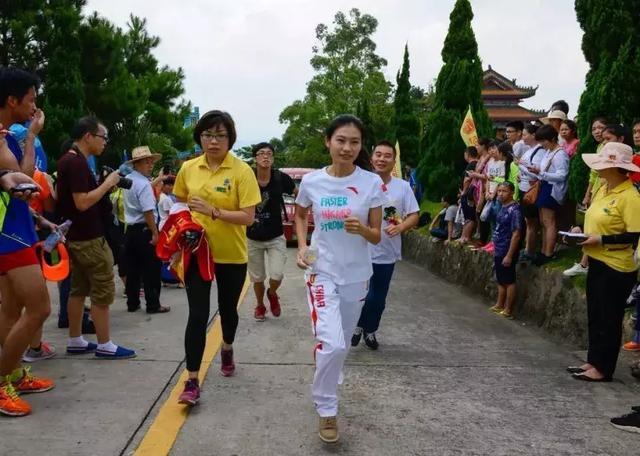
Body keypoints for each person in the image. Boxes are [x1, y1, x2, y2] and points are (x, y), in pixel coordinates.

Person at [295, 114, 383, 443]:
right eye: (341, 140)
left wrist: (363, 229)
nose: (347, 148)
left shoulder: (372, 183)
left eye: (355, 142)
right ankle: (327, 409)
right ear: (328, 142)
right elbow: (301, 213)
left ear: (361, 147)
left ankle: (328, 366)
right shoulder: (312, 181)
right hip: (322, 272)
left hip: (357, 275)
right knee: (332, 343)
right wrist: (303, 245)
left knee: (340, 344)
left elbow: (377, 235)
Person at [173, 110, 260, 405]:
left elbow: (248, 217)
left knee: (228, 311)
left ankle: (227, 346)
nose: (213, 141)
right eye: (208, 134)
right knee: (197, 315)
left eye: (220, 135)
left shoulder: (241, 171)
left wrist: (214, 211)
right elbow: (179, 204)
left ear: (230, 139)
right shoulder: (189, 168)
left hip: (231, 256)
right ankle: (193, 380)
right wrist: (178, 237)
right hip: (197, 254)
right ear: (199, 137)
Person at [56, 116, 136, 359]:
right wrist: (108, 183)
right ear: (88, 136)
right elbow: (82, 202)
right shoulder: (78, 163)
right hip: (90, 237)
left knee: (78, 289)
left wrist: (102, 186)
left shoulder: (68, 160)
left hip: (76, 236)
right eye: (103, 137)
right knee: (102, 289)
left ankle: (76, 339)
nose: (105, 143)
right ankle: (104, 344)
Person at [0, 68, 54, 417]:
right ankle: (2, 379)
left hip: (15, 229)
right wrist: (11, 181)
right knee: (40, 309)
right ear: (12, 100)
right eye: (31, 100)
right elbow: (15, 176)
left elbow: (21, 172)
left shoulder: (6, 134)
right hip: (9, 235)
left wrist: (31, 136)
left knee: (11, 310)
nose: (35, 107)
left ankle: (14, 373)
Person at [566, 142, 640, 384]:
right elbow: (594, 218)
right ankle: (593, 360)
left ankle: (603, 368)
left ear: (616, 168)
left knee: (609, 318)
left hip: (616, 265)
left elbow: (634, 234)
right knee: (595, 315)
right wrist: (581, 231)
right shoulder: (602, 188)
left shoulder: (630, 197)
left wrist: (602, 239)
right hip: (597, 260)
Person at [352, 140, 419, 349]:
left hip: (386, 251)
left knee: (377, 298)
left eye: (387, 155)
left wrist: (400, 227)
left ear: (394, 160)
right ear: (372, 158)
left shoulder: (402, 187)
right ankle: (356, 326)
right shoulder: (360, 183)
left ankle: (369, 329)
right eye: (378, 154)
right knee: (358, 296)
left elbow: (413, 215)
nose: (382, 159)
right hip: (359, 250)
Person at [246, 142, 296, 321]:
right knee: (257, 278)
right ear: (255, 158)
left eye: (269, 153)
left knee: (277, 274)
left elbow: (299, 193)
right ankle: (260, 305)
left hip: (276, 236)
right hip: (253, 236)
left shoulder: (280, 178)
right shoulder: (247, 177)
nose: (265, 156)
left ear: (273, 158)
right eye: (261, 153)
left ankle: (272, 293)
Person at [123, 146, 168, 314]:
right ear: (137, 164)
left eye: (151, 162)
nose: (150, 165)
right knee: (151, 270)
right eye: (146, 162)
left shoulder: (128, 179)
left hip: (131, 231)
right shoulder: (143, 184)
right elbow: (148, 211)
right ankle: (153, 304)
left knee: (133, 269)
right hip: (145, 230)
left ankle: (132, 302)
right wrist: (155, 233)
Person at [528, 125, 570, 265]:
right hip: (545, 186)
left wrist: (541, 173)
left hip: (552, 189)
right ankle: (544, 251)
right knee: (543, 222)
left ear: (552, 139)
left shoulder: (560, 154)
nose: (542, 144)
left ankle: (548, 252)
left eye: (544, 141)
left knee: (549, 222)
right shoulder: (549, 151)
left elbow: (562, 175)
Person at [488, 182, 522, 318]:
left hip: (507, 249)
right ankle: (499, 304)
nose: (501, 193)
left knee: (509, 280)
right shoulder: (502, 207)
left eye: (504, 191)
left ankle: (508, 309)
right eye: (499, 191)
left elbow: (517, 233)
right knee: (501, 279)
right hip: (499, 247)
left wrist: (509, 255)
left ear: (512, 192)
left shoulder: (515, 210)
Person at [517, 124, 543, 262]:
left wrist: (520, 166)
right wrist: (521, 172)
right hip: (524, 187)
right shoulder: (529, 150)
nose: (523, 137)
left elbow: (536, 174)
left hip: (530, 190)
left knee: (532, 222)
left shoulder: (539, 151)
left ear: (533, 135)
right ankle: (528, 248)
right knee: (528, 221)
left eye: (525, 134)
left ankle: (530, 250)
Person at [458, 146, 479, 244]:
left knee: (469, 217)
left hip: (469, 194)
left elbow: (467, 180)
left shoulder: (471, 165)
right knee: (468, 216)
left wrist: (464, 192)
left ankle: (466, 237)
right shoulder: (477, 163)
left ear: (467, 154)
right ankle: (464, 236)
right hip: (470, 194)